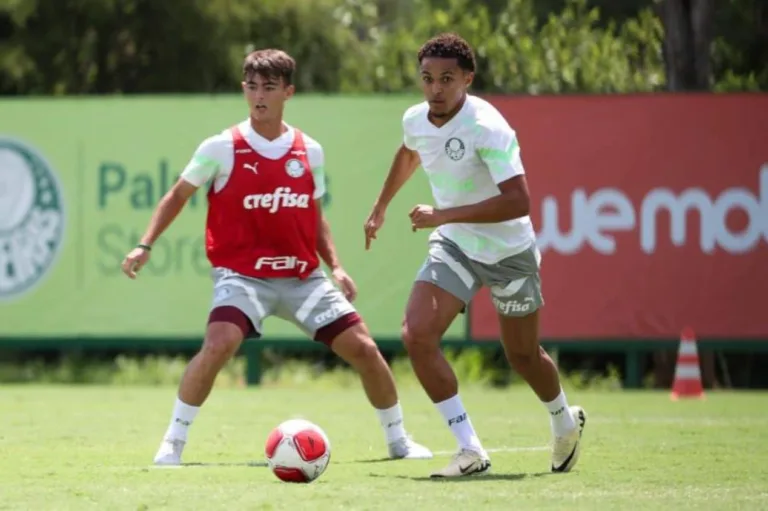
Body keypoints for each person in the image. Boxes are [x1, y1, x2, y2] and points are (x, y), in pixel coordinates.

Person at [121, 48, 432, 466]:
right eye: (251, 87)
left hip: (303, 278)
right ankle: (172, 443)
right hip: (242, 277)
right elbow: (177, 196)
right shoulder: (221, 147)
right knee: (219, 344)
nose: (259, 96)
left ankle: (398, 441)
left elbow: (314, 216)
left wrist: (337, 266)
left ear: (289, 92)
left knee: (364, 348)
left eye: (269, 87)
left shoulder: (310, 150)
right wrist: (145, 244)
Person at [364, 33, 587, 478]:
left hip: (508, 251)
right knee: (417, 335)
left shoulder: (488, 126)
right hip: (456, 244)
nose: (436, 88)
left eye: (447, 78)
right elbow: (410, 153)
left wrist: (442, 213)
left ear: (468, 78)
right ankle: (469, 450)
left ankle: (564, 420)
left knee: (522, 355)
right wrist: (381, 205)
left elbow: (519, 201)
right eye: (427, 78)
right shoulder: (416, 119)